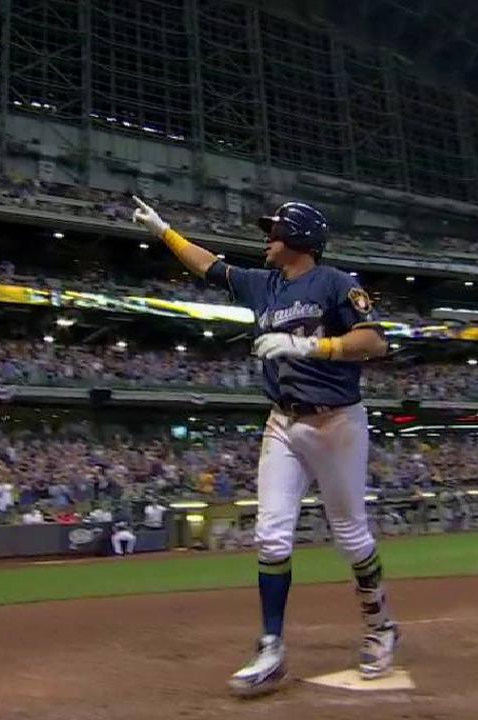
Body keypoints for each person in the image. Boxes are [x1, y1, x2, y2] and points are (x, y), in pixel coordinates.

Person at [132, 197, 398, 697]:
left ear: (299, 237)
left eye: (275, 230)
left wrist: (312, 345)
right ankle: (271, 647)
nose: (267, 238)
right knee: (272, 536)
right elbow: (210, 266)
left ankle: (380, 625)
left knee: (350, 534)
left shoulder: (337, 282)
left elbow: (375, 341)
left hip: (336, 421)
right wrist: (165, 232)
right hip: (282, 421)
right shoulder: (264, 284)